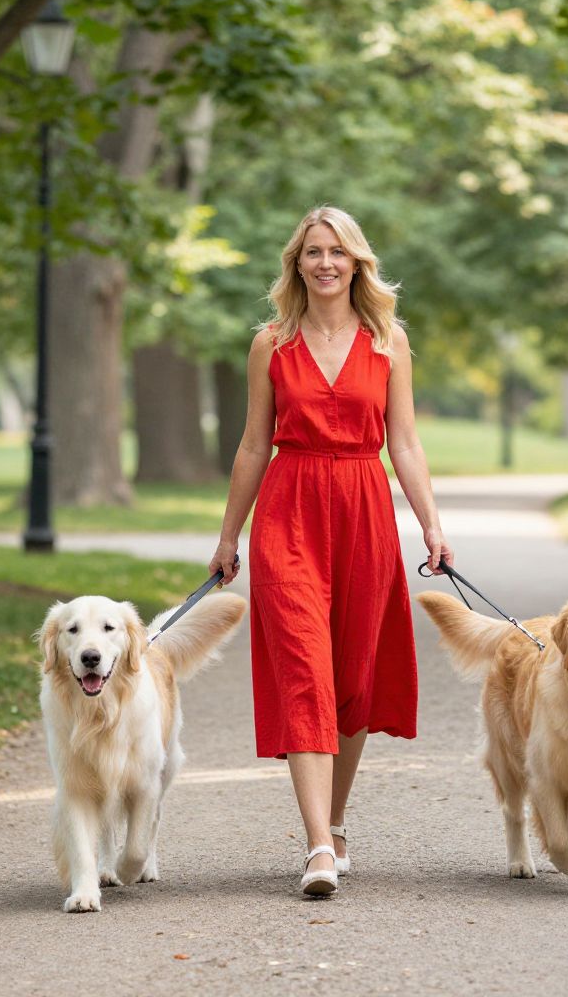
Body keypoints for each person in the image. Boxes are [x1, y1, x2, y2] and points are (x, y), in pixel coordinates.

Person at [209, 205, 453, 897]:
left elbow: (403, 441)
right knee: (305, 672)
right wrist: (230, 535)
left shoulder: (388, 342)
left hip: (363, 508)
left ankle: (337, 821)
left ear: (356, 262)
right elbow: (255, 444)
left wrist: (432, 526)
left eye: (336, 252)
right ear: (297, 263)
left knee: (351, 680)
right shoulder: (271, 343)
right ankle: (317, 845)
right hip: (289, 510)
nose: (324, 263)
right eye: (313, 251)